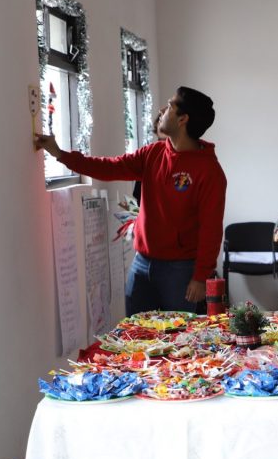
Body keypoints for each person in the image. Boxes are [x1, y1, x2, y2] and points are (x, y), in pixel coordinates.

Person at [34, 87, 226, 315]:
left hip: (180, 270)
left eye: (169, 106)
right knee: (133, 331)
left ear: (183, 119)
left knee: (179, 335)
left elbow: (211, 230)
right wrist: (60, 154)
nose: (161, 110)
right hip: (142, 263)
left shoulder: (210, 172)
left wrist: (201, 277)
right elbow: (109, 167)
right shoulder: (152, 154)